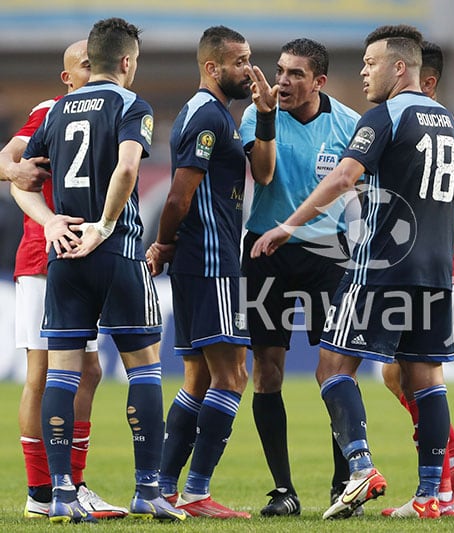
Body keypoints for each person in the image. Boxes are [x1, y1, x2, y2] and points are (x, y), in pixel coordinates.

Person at [251, 25, 454, 520]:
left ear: (399, 68)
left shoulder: (384, 116)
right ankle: (431, 495)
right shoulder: (450, 121)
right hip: (435, 271)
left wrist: (288, 226)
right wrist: (440, 245)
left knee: (332, 367)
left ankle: (360, 467)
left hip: (381, 268)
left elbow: (343, 178)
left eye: (371, 64)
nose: (364, 72)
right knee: (427, 378)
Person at [14, 17, 185, 523]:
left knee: (62, 374)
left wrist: (50, 222)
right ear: (128, 61)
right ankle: (147, 489)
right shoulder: (132, 104)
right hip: (116, 251)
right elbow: (128, 167)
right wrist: (105, 226)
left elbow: (21, 177)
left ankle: (60, 493)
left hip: (64, 257)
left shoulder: (56, 110)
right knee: (144, 368)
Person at [146, 26, 274, 520]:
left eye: (249, 58)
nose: (249, 70)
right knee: (233, 375)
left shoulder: (219, 114)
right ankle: (196, 492)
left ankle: (162, 488)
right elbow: (179, 196)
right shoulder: (206, 115)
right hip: (211, 260)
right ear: (211, 67)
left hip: (202, 261)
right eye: (239, 61)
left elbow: (261, 171)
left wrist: (265, 116)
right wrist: (164, 243)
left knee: (199, 377)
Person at [0, 39, 128, 521]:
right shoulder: (50, 109)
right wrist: (18, 174)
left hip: (82, 256)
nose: (93, 72)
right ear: (67, 77)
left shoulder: (111, 107)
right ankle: (41, 492)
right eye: (84, 65)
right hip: (43, 255)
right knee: (42, 372)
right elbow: (6, 159)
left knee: (88, 371)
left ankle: (71, 485)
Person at [238, 38, 361, 517]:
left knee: (335, 369)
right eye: (280, 71)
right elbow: (264, 175)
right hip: (265, 251)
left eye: (295, 74)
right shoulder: (257, 114)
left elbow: (367, 187)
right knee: (267, 370)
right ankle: (283, 490)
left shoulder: (348, 124)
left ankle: (343, 486)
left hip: (328, 255)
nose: (282, 81)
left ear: (319, 82)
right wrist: (266, 117)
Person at [378, 40, 454, 517]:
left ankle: (442, 481)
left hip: (424, 270)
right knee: (401, 374)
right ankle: (445, 477)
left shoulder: (407, 123)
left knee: (415, 375)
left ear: (425, 79)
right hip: (444, 268)